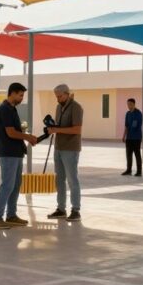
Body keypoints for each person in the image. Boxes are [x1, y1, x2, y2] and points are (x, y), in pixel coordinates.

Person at [0, 82, 39, 230]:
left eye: (22, 95)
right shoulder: (5, 109)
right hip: (8, 153)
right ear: (11, 93)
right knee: (7, 185)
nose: (21, 98)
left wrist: (25, 139)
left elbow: (14, 131)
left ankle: (11, 215)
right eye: (20, 95)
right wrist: (28, 137)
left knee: (16, 185)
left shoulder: (12, 109)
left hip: (16, 153)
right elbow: (10, 132)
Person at [47, 84, 83, 222]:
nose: (58, 99)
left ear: (67, 94)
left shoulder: (76, 107)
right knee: (59, 180)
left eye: (60, 96)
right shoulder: (58, 107)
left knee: (72, 179)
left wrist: (57, 130)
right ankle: (61, 209)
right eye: (56, 96)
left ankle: (76, 210)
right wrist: (52, 128)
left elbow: (77, 130)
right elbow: (59, 127)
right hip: (59, 147)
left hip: (71, 149)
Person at [121, 98, 143, 177]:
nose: (128, 106)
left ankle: (139, 171)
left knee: (137, 154)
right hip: (129, 138)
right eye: (127, 104)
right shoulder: (127, 114)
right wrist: (124, 136)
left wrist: (131, 132)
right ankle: (128, 170)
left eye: (130, 104)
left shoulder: (138, 113)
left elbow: (136, 125)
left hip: (136, 138)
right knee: (128, 154)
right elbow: (126, 126)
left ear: (134, 104)